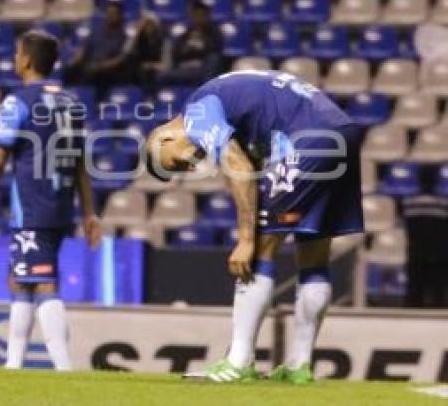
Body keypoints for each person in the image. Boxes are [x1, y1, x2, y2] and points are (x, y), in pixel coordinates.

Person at [144, 69, 364, 383]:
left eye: (177, 162)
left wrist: (246, 238)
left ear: (165, 137)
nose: (190, 165)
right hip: (341, 131)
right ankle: (299, 366)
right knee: (314, 254)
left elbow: (238, 166)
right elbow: (252, 162)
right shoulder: (224, 97)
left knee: (259, 249)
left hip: (307, 137)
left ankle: (238, 362)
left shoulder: (196, 113)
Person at [0, 29, 102, 371]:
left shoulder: (17, 102)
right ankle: (14, 366)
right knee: (20, 279)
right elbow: (81, 163)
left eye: (17, 52)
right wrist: (89, 212)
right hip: (61, 205)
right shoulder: (71, 102)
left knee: (42, 281)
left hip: (33, 206)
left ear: (26, 59)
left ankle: (64, 370)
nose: (14, 58)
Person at [147, 0, 224, 87]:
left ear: (207, 15)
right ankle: (159, 99)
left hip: (202, 67)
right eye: (196, 14)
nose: (198, 17)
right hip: (185, 67)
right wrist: (189, 51)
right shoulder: (187, 32)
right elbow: (177, 53)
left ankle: (206, 92)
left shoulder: (214, 31)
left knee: (213, 58)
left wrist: (195, 49)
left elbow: (215, 49)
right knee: (162, 75)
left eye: (201, 14)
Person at [63, 0, 129, 87]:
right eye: (109, 13)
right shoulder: (96, 32)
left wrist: (102, 66)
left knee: (93, 74)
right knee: (69, 70)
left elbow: (121, 58)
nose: (110, 16)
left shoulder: (123, 37)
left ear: (119, 16)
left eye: (114, 14)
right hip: (90, 65)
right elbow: (84, 50)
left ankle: (89, 97)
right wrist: (74, 61)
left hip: (107, 70)